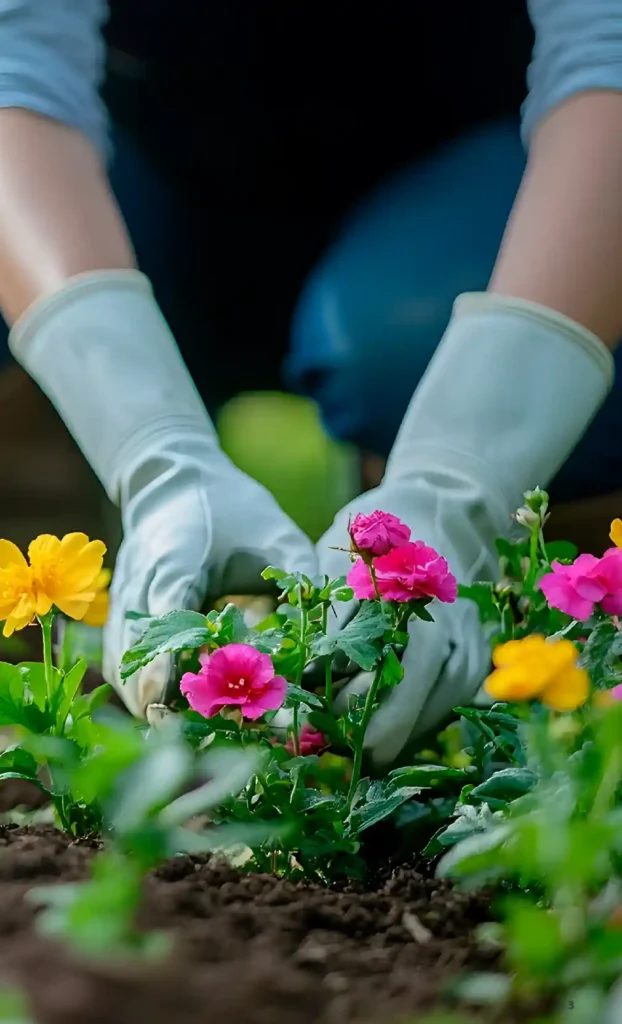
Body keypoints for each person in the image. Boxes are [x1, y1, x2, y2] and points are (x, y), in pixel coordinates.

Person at [0, 2, 621, 763]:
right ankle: (44, 533)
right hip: (139, 156)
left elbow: (609, 51)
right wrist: (150, 451)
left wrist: (459, 476)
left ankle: (555, 644)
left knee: (401, 344)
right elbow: (14, 59)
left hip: (488, 166)